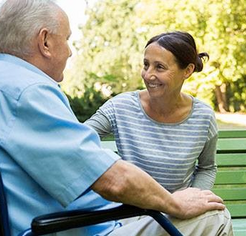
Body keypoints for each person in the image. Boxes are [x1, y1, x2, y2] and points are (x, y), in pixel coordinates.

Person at [0, 0, 230, 235]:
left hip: (54, 223)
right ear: (45, 41)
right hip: (80, 228)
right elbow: (113, 180)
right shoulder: (27, 93)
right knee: (215, 217)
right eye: (68, 39)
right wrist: (175, 203)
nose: (71, 50)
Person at [86, 31, 234, 235]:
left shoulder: (203, 116)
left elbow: (207, 167)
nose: (148, 75)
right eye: (146, 65)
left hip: (177, 213)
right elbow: (79, 141)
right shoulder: (120, 107)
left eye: (160, 67)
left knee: (217, 214)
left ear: (188, 70)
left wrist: (193, 196)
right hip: (128, 214)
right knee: (219, 218)